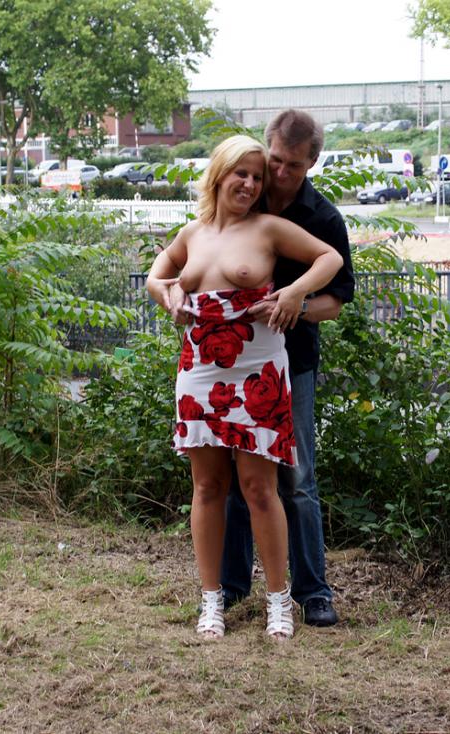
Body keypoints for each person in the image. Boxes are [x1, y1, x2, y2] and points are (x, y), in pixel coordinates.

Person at [145, 134, 343, 640]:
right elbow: (155, 278)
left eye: (258, 177)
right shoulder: (191, 234)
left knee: (260, 489)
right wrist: (171, 298)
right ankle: (212, 600)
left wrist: (294, 293)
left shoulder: (269, 228)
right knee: (208, 488)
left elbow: (330, 260)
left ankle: (279, 601)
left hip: (258, 373)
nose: (252, 184)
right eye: (242, 174)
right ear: (219, 174)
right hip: (199, 371)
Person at [220, 109, 355, 627]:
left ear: (312, 162)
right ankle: (231, 587)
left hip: (292, 363)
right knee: (236, 480)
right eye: (274, 160)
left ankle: (313, 592)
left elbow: (336, 301)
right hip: (233, 361)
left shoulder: (324, 219)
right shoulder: (243, 197)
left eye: (292, 166)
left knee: (296, 479)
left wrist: (295, 302)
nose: (278, 173)